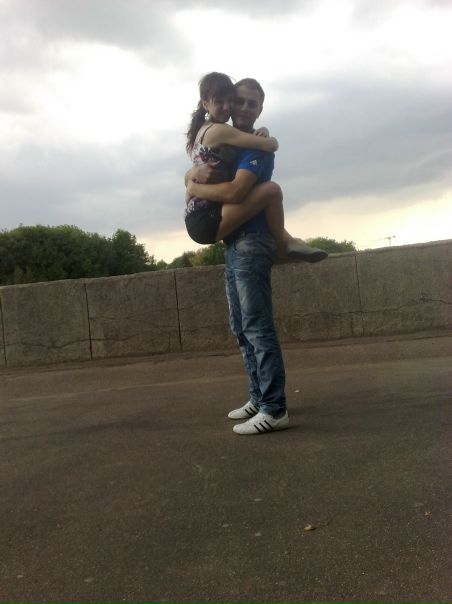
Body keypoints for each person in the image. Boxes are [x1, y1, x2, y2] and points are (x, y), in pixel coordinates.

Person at [186, 77, 327, 435]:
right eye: (239, 101)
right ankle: (258, 395)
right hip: (235, 241)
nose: (242, 108)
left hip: (252, 240)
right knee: (241, 327)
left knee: (257, 326)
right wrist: (191, 176)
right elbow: (205, 162)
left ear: (261, 108)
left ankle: (274, 408)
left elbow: (236, 192)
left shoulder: (254, 148)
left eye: (252, 103)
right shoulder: (230, 142)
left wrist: (193, 186)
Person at [185, 72, 326, 262]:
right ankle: (283, 249)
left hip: (202, 218)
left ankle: (289, 241)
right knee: (272, 191)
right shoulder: (220, 131)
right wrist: (268, 136)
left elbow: (196, 170)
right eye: (220, 102)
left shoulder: (205, 129)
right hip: (207, 219)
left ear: (260, 109)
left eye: (229, 101)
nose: (227, 107)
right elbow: (270, 146)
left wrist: (190, 180)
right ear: (205, 104)